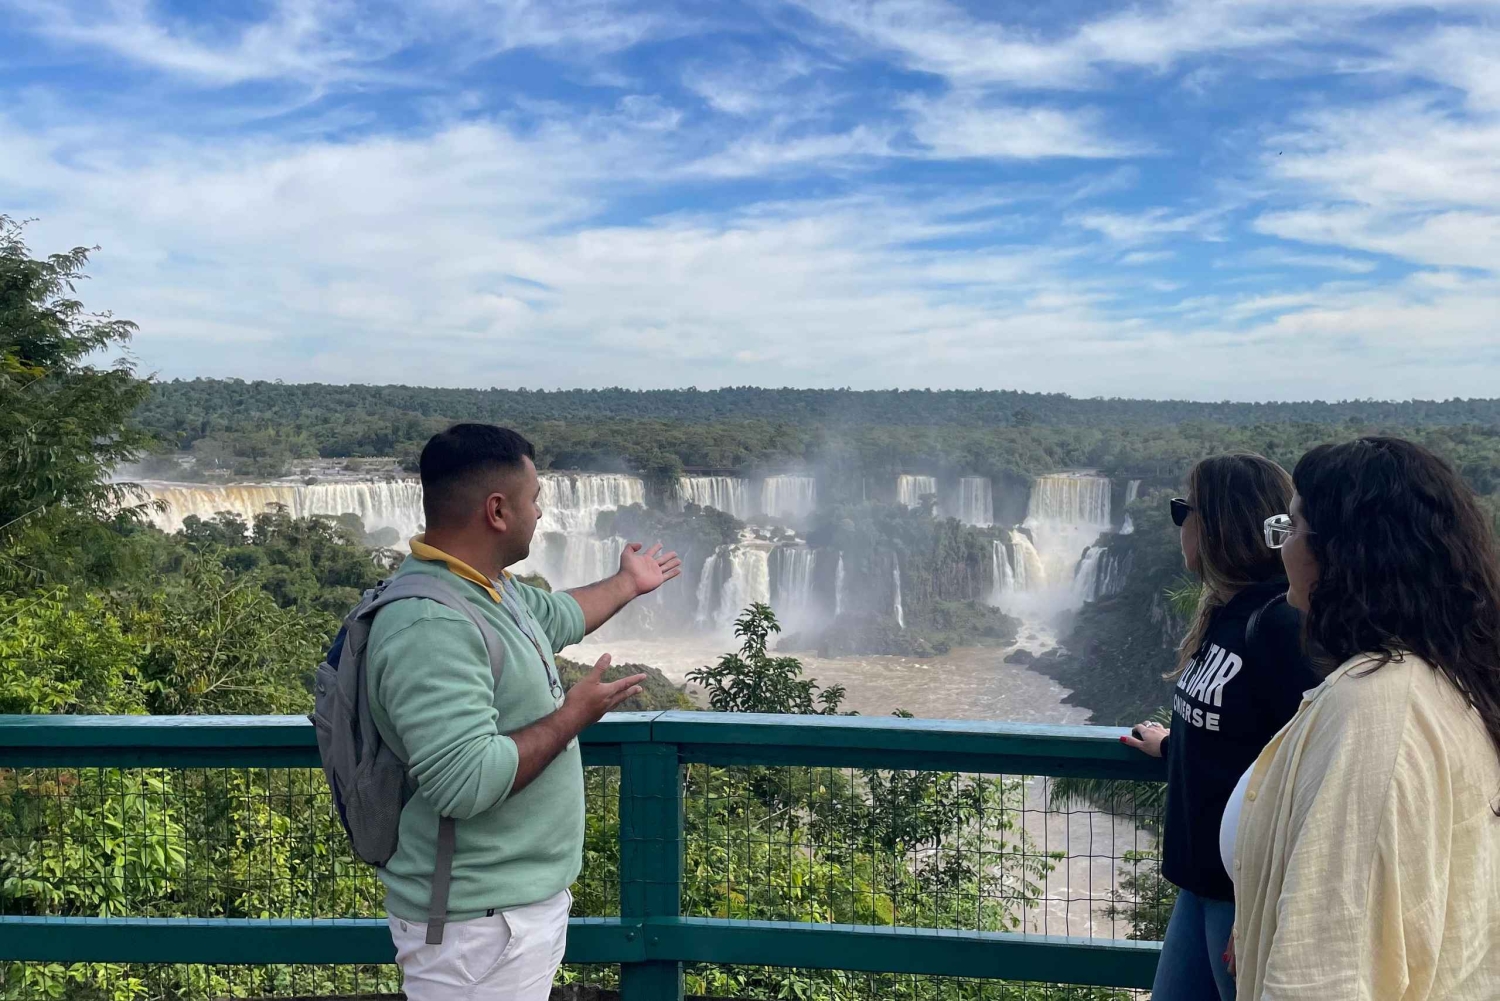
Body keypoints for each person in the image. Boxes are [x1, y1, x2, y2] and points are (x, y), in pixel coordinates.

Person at [365, 423, 682, 1001]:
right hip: (475, 929)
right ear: (497, 510)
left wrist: (627, 583)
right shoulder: (431, 623)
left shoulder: (488, 588)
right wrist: (572, 717)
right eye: (534, 499)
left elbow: (559, 616)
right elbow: (464, 781)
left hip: (504, 916)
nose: (540, 513)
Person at [1230, 437, 1500, 999]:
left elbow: (1327, 972)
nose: (1283, 550)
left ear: (1342, 554)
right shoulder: (1447, 676)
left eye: (1293, 527)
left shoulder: (1376, 714)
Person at [1122, 453, 1321, 1001]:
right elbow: (1238, 734)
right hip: (1200, 884)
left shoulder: (1280, 624)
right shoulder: (1228, 614)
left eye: (1185, 509)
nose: (1180, 522)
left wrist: (1265, 906)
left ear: (1220, 524)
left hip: (1245, 898)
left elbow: (1310, 773)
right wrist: (1172, 747)